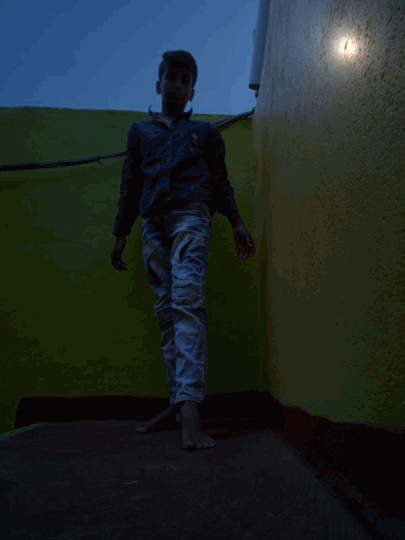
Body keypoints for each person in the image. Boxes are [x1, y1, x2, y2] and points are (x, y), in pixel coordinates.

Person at [111, 50, 256, 450]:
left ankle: (191, 407)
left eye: (184, 80)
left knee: (186, 302)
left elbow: (221, 181)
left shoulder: (205, 134)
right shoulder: (140, 131)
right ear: (159, 84)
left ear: (192, 91)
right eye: (171, 78)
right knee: (166, 313)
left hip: (192, 215)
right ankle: (177, 404)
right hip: (152, 221)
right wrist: (121, 234)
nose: (177, 85)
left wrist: (236, 222)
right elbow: (130, 184)